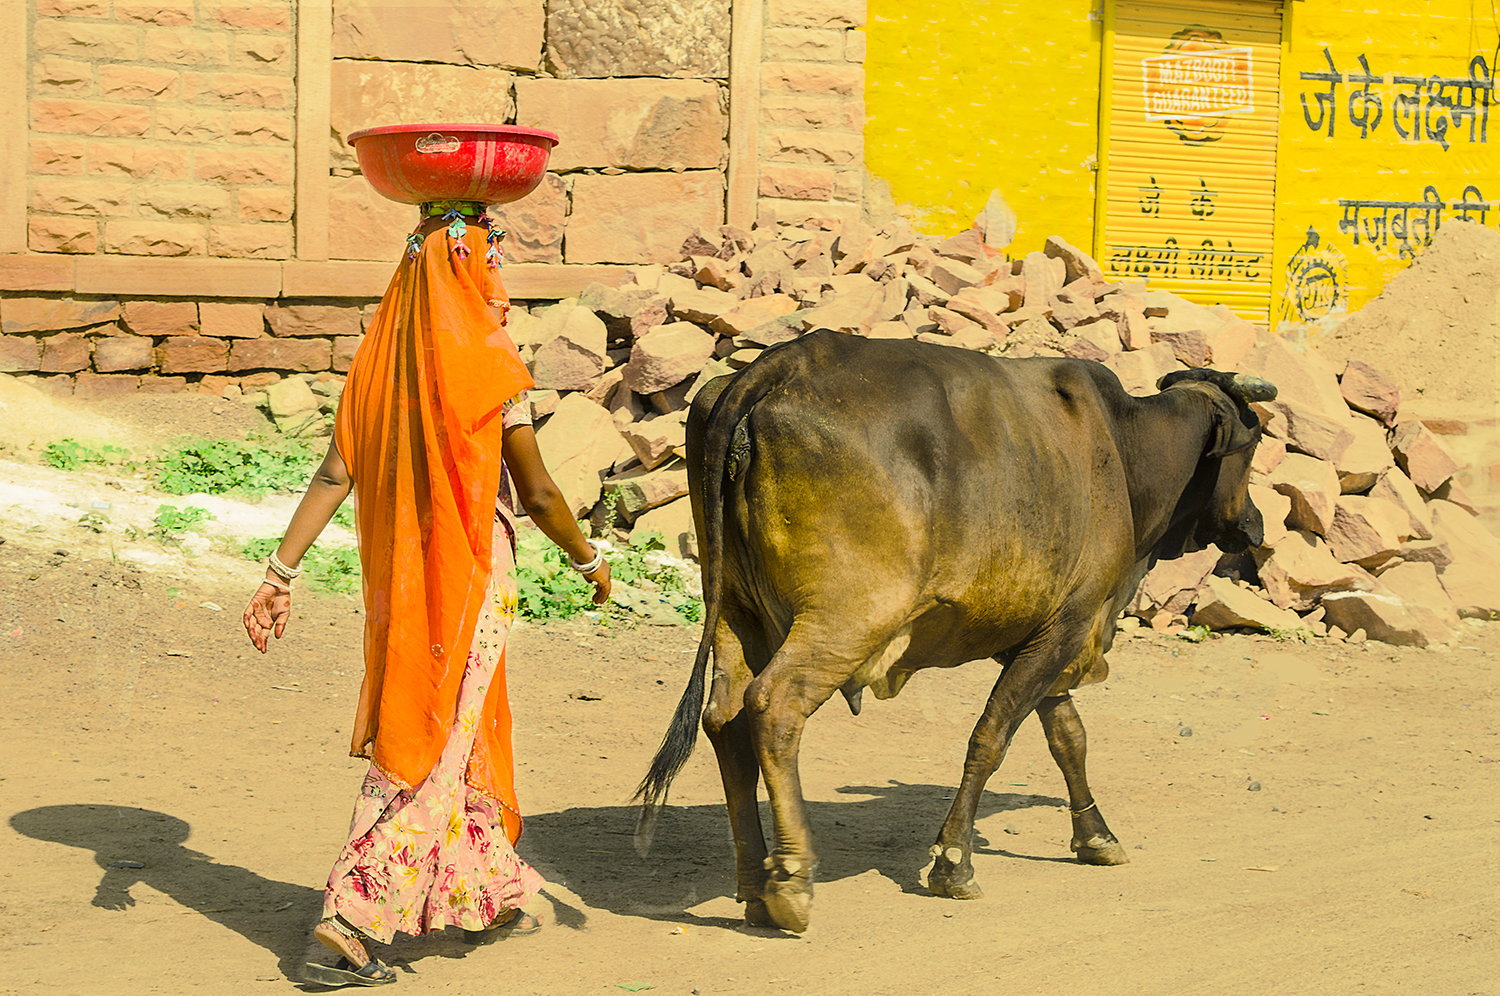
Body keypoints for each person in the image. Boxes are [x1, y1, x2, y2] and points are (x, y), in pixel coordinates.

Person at [242, 203, 609, 988]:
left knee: (453, 725)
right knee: (434, 735)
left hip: (398, 584)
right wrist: (588, 560)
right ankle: (347, 923)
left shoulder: (378, 362)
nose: (500, 284)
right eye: (491, 263)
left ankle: (483, 885)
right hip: (469, 580)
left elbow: (335, 474)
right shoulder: (491, 367)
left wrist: (280, 573)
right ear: (469, 272)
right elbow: (540, 493)